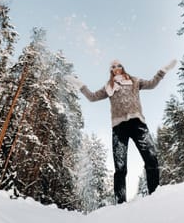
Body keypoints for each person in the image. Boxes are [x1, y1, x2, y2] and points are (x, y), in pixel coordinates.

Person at [66, 59, 177, 204]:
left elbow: (152, 84)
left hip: (138, 124)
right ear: (111, 70)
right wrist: (80, 85)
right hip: (119, 127)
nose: (116, 68)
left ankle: (154, 196)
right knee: (120, 167)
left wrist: (163, 70)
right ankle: (120, 203)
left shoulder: (134, 81)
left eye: (118, 65)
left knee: (151, 159)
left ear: (123, 67)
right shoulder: (109, 87)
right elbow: (92, 97)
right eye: (113, 66)